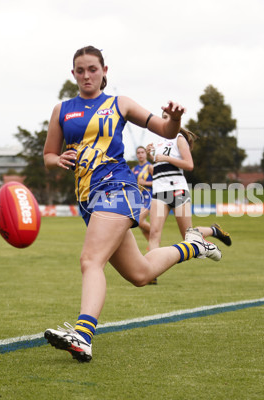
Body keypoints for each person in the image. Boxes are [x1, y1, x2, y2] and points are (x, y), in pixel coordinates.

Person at [42, 45, 222, 363]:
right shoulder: (62, 110)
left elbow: (164, 128)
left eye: (92, 69)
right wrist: (58, 160)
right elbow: (48, 155)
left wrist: (176, 120)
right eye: (80, 70)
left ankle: (83, 336)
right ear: (73, 74)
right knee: (140, 273)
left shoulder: (119, 104)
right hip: (88, 200)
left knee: (90, 259)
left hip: (117, 189)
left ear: (104, 72)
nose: (86, 75)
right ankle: (195, 246)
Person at [145, 115, 232, 284]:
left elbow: (189, 165)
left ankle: (214, 231)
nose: (164, 120)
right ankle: (151, 273)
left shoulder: (179, 138)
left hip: (178, 189)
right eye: (162, 117)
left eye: (167, 117)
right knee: (154, 233)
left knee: (188, 236)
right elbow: (158, 167)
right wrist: (151, 155)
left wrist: (166, 158)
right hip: (159, 191)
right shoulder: (157, 142)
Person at [131, 146, 153, 242]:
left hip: (148, 196)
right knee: (140, 224)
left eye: (142, 152)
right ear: (136, 155)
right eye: (138, 153)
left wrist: (145, 183)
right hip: (138, 197)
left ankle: (156, 232)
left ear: (146, 154)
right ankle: (151, 246)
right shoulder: (134, 169)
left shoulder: (150, 167)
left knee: (139, 220)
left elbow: (159, 182)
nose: (140, 154)